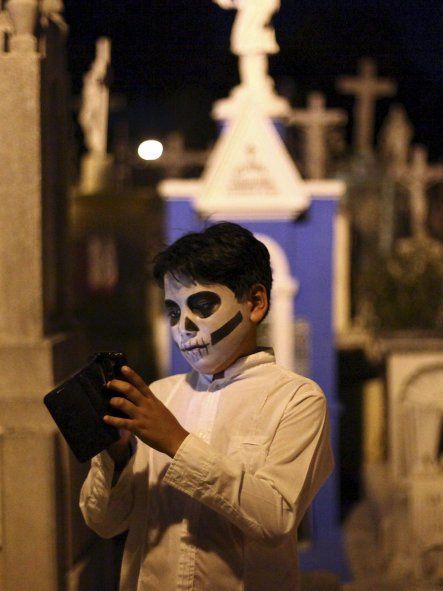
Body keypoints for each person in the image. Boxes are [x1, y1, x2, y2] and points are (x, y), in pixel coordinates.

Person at [80, 222, 333, 590]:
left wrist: (177, 443)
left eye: (201, 306)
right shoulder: (159, 397)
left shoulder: (297, 399)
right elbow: (103, 521)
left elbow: (276, 518)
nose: (184, 326)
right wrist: (115, 456)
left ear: (255, 303)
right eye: (172, 311)